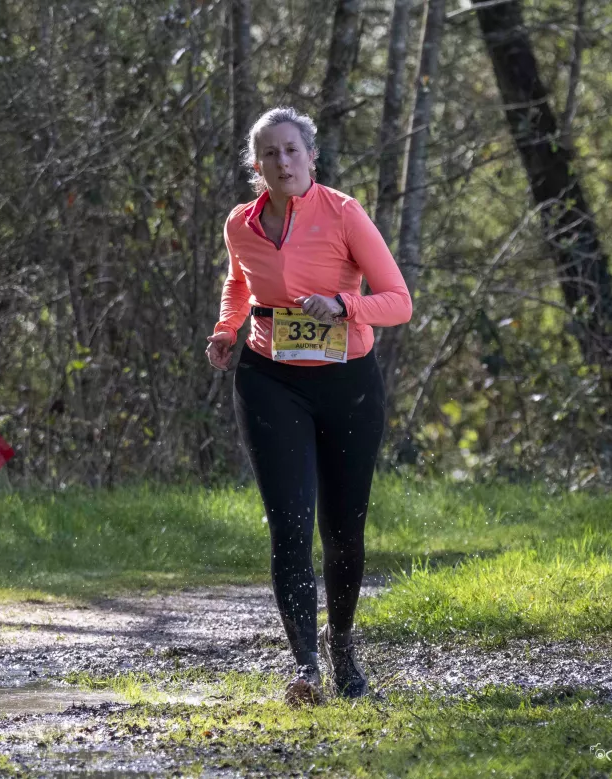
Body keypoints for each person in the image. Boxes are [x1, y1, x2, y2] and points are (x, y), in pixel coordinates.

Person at [205, 106, 412, 705]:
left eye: (292, 150)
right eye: (270, 153)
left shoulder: (344, 213)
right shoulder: (240, 223)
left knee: (343, 530)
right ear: (256, 165)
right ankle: (305, 668)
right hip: (270, 380)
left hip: (347, 382)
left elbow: (398, 301)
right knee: (289, 525)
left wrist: (346, 306)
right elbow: (239, 281)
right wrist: (227, 329)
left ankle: (340, 643)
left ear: (311, 157)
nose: (283, 162)